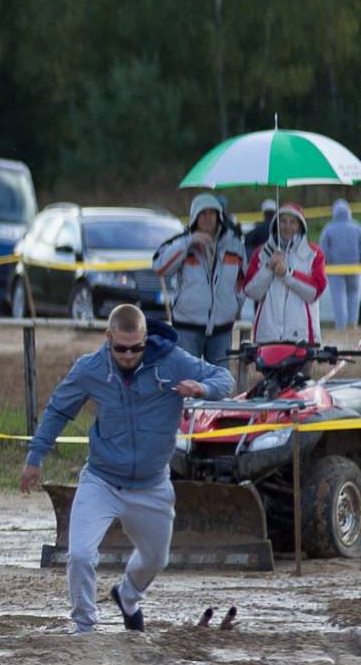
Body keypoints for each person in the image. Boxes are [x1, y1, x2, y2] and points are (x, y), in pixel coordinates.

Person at [21, 305, 233, 634]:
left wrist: (202, 389)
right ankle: (84, 627)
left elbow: (224, 378)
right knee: (80, 555)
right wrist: (35, 456)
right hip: (101, 480)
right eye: (121, 348)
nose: (129, 355)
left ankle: (128, 596)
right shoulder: (90, 368)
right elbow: (59, 409)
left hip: (152, 485)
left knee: (156, 559)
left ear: (145, 338)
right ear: (108, 338)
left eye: (137, 348)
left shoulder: (172, 361)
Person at [153, 193, 246, 364]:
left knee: (219, 380)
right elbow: (160, 267)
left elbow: (243, 281)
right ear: (195, 217)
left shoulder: (235, 245)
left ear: (219, 216)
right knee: (186, 378)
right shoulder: (182, 242)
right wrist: (189, 242)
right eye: (203, 213)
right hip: (186, 327)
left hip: (222, 329)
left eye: (212, 213)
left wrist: (234, 306)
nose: (208, 217)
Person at [243, 204, 326, 343]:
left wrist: (287, 274)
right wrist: (268, 268)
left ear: (300, 225)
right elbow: (250, 291)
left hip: (303, 337)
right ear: (276, 224)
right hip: (267, 336)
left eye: (292, 222)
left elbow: (315, 292)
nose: (287, 226)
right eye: (282, 221)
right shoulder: (261, 253)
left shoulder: (314, 253)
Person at [319, 199, 361, 331]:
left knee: (338, 296)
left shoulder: (329, 228)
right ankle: (352, 323)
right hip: (354, 268)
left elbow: (322, 250)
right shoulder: (357, 227)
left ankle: (341, 325)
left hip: (335, 269)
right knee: (354, 294)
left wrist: (327, 262)